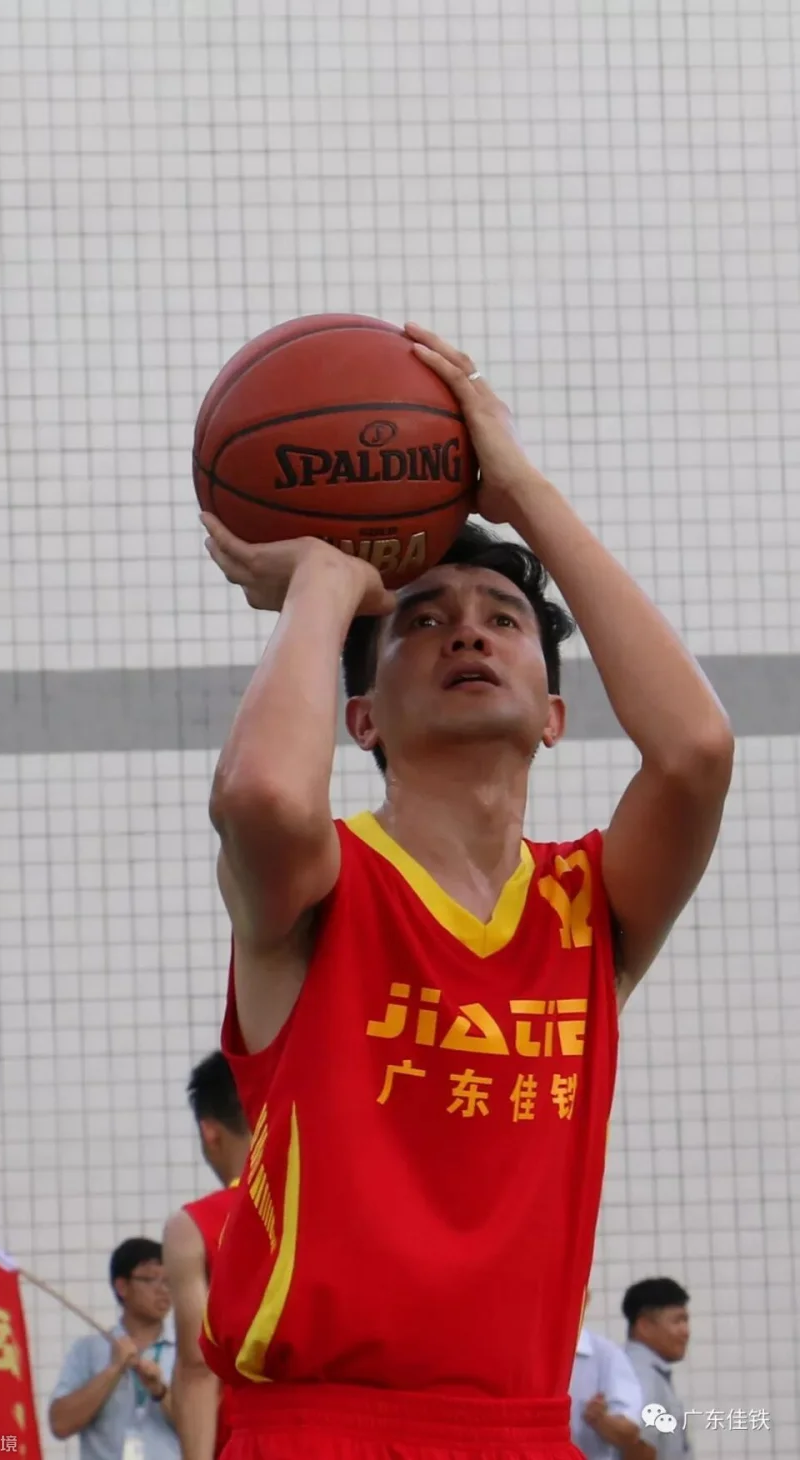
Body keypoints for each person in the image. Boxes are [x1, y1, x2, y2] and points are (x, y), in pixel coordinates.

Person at [198, 323, 733, 1460]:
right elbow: (261, 795)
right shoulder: (323, 882)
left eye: (504, 620)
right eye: (425, 620)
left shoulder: (590, 906)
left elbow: (695, 751)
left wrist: (518, 487)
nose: (468, 635)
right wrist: (325, 581)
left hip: (520, 1429)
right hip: (322, 1426)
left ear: (554, 713)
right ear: (361, 718)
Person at [164, 1053, 251, 1460]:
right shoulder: (341, 1211)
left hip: (251, 1439)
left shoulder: (196, 1227)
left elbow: (199, 1367)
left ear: (209, 1131)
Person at [48, 1237, 178, 1460]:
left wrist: (161, 1392)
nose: (163, 1289)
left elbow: (206, 1428)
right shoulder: (88, 1350)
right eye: (151, 1279)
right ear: (122, 1286)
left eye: (169, 1280)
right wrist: (113, 1369)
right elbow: (60, 1424)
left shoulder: (187, 1351)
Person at [569, 1292, 652, 1460]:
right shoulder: (522, 1353)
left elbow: (630, 1433)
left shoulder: (606, 1355)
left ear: (585, 1299)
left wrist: (601, 1420)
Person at [623, 1278, 694, 1457]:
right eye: (677, 1321)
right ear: (644, 1326)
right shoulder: (641, 1376)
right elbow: (639, 1449)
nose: (685, 1331)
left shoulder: (638, 1370)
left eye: (685, 1321)